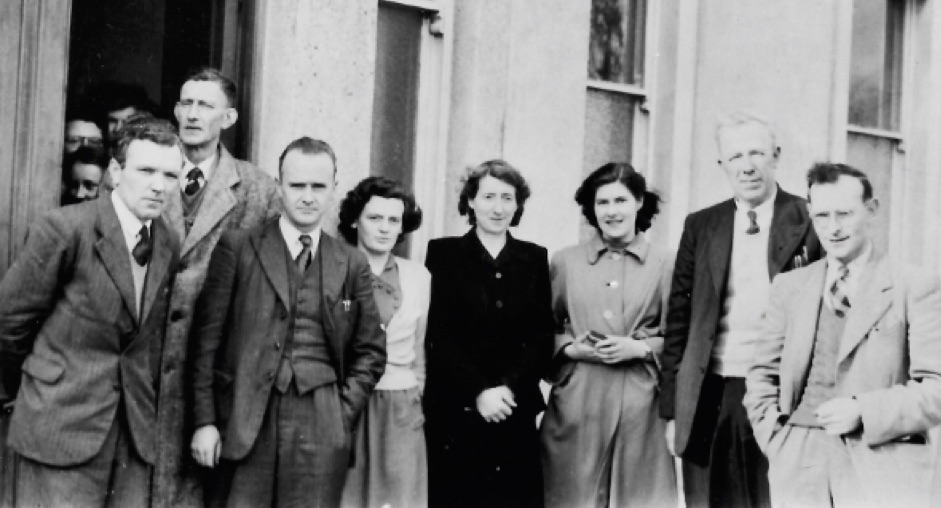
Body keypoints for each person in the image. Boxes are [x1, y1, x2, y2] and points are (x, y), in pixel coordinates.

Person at [189, 137, 385, 508]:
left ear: (333, 191)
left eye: (318, 187)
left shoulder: (350, 262)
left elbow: (371, 351)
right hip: (245, 419)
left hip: (321, 424)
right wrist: (205, 422)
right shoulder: (239, 247)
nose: (308, 197)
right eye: (297, 186)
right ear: (279, 187)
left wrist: (339, 415)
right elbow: (206, 344)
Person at [0, 117, 182, 507]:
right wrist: (40, 387)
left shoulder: (166, 240)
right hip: (61, 424)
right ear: (116, 172)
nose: (159, 185)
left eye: (170, 174)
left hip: (131, 434)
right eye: (146, 170)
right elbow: (9, 323)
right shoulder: (66, 229)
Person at [744, 162, 941, 507]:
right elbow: (762, 374)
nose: (832, 229)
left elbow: (937, 389)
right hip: (798, 463)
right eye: (821, 216)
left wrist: (863, 410)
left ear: (872, 210)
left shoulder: (914, 286)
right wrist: (776, 438)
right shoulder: (790, 286)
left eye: (844, 214)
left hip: (881, 468)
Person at [660, 111, 823, 507]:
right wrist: (671, 409)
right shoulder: (702, 225)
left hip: (779, 391)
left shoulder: (810, 218)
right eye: (735, 157)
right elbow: (679, 321)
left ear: (776, 156)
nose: (746, 166)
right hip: (710, 390)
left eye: (756, 153)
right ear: (722, 165)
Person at [153, 66, 280, 508]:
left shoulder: (260, 190)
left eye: (205, 105)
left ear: (228, 119)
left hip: (211, 369)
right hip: (145, 363)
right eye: (185, 103)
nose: (192, 114)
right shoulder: (150, 173)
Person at [540, 162, 677, 508]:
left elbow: (682, 335)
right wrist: (570, 350)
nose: (612, 211)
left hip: (641, 405)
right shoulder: (565, 262)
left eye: (620, 200)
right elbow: (542, 328)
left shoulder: (667, 262)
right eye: (602, 203)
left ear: (639, 202)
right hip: (578, 402)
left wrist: (643, 348)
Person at [423, 160, 553, 508]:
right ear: (470, 201)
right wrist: (479, 392)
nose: (498, 207)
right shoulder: (443, 254)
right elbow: (438, 334)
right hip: (457, 409)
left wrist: (508, 387)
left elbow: (542, 336)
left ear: (518, 204)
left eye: (507, 198)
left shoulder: (534, 258)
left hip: (514, 410)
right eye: (488, 196)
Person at [337, 176, 430, 508]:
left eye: (394, 220)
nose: (385, 228)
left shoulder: (419, 276)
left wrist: (412, 395)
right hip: (348, 403)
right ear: (354, 220)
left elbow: (419, 349)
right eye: (375, 218)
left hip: (400, 407)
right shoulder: (336, 270)